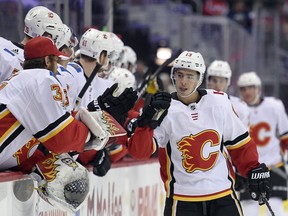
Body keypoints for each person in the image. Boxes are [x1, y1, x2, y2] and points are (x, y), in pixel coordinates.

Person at [126, 51, 271, 216]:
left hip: (222, 195)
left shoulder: (219, 102)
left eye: (190, 76)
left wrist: (252, 169)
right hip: (182, 200)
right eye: (179, 75)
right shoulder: (163, 109)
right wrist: (145, 123)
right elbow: (139, 152)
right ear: (173, 76)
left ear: (199, 78)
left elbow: (240, 144)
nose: (183, 82)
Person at [0, 37, 112, 170]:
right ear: (47, 61)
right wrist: (93, 133)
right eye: (56, 59)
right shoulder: (41, 78)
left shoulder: (24, 79)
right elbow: (62, 138)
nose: (58, 65)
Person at [237, 71, 288, 216]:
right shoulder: (236, 109)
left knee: (277, 209)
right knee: (248, 209)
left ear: (258, 88)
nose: (247, 91)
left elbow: (285, 136)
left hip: (274, 166)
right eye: (243, 88)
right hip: (249, 169)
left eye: (251, 87)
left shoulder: (275, 106)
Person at [206, 60, 249, 126]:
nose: (217, 85)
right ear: (208, 81)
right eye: (214, 80)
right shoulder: (198, 103)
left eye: (221, 81)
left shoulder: (240, 107)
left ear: (227, 82)